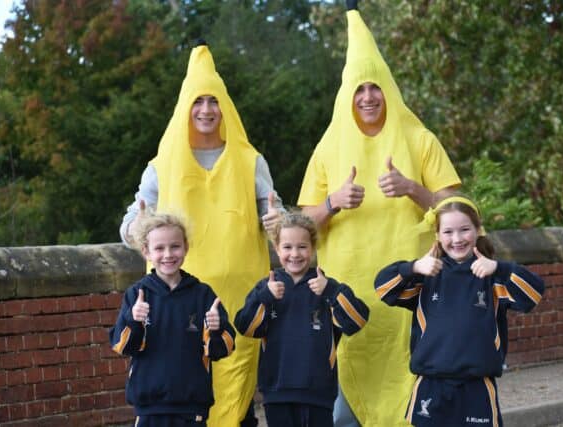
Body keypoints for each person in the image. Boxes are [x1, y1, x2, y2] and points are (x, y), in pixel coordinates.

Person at [297, 1, 461, 425]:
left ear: (388, 89)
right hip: (348, 300)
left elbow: (456, 213)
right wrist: (333, 202)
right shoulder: (328, 147)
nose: (368, 98)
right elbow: (299, 230)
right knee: (345, 415)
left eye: (375, 88)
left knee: (415, 403)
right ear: (347, 95)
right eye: (359, 89)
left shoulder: (418, 137)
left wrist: (411, 188)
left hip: (412, 296)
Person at [119, 40, 283, 427]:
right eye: (198, 101)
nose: (206, 110)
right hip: (173, 307)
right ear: (185, 108)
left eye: (213, 101)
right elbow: (131, 225)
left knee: (235, 402)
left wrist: (277, 222)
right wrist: (138, 226)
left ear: (225, 107)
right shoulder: (160, 165)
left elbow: (274, 216)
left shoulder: (250, 160)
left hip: (238, 306)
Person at [374, 196, 545, 426]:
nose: (457, 239)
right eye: (448, 232)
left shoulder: (492, 276)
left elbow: (533, 294)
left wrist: (499, 267)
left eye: (464, 229)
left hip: (477, 385)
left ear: (478, 230)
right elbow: (383, 288)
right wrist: (413, 267)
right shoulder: (426, 274)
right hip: (431, 385)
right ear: (437, 235)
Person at [234, 212, 370, 427]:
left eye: (302, 247)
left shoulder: (328, 286)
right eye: (287, 247)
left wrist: (331, 291)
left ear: (313, 248)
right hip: (277, 391)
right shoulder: (266, 287)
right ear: (277, 249)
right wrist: (265, 297)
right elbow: (247, 328)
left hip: (319, 393)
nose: (295, 254)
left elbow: (357, 321)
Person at [110, 212, 236, 426]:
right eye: (159, 248)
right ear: (146, 252)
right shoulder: (137, 294)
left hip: (192, 406)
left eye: (175, 246)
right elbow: (122, 346)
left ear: (186, 247)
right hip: (149, 407)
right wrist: (133, 320)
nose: (168, 254)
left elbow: (224, 349)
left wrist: (215, 330)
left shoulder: (203, 294)